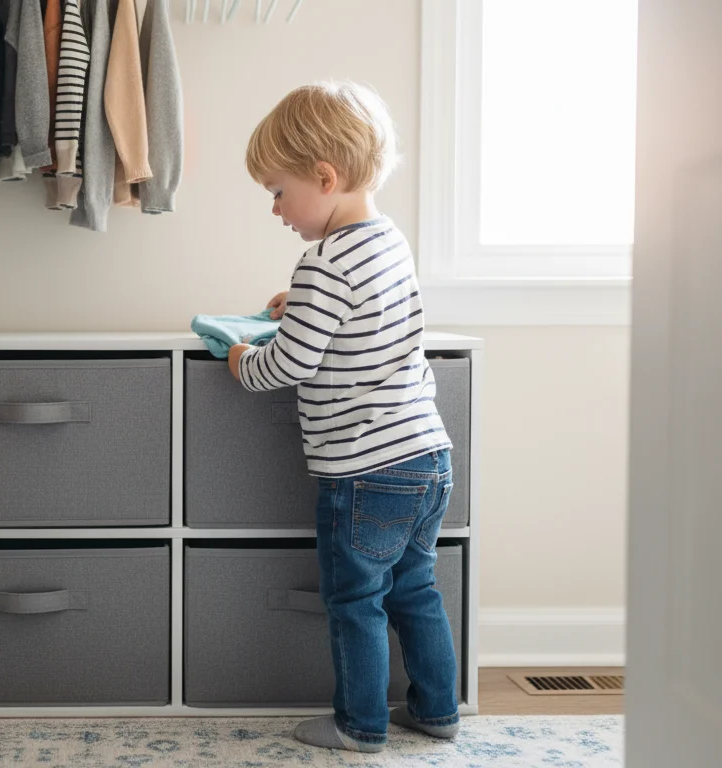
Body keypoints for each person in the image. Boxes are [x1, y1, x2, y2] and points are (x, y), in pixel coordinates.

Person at [227, 81, 459, 753]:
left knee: (355, 601)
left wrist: (244, 360)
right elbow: (364, 317)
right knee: (416, 590)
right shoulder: (388, 241)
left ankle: (360, 725)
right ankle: (438, 710)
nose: (275, 209)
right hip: (426, 458)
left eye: (278, 190)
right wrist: (297, 301)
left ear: (324, 178)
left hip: (363, 472)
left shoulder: (322, 262)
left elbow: (290, 364)